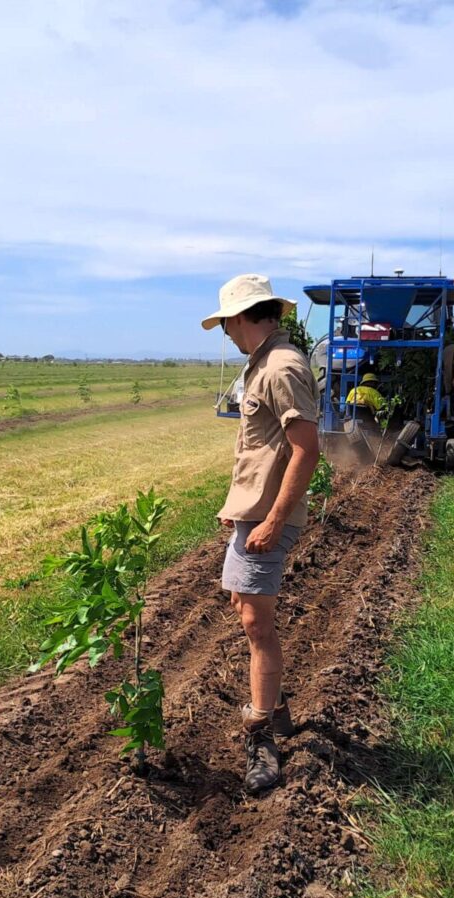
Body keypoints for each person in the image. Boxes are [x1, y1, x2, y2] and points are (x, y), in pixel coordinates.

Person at [203, 274, 322, 793]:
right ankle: (275, 706)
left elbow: (306, 449)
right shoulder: (262, 365)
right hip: (252, 510)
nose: (225, 332)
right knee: (242, 606)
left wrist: (273, 519)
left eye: (226, 322)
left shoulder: (283, 366)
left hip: (270, 516)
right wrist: (241, 507)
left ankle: (261, 737)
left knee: (256, 621)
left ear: (242, 316)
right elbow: (259, 448)